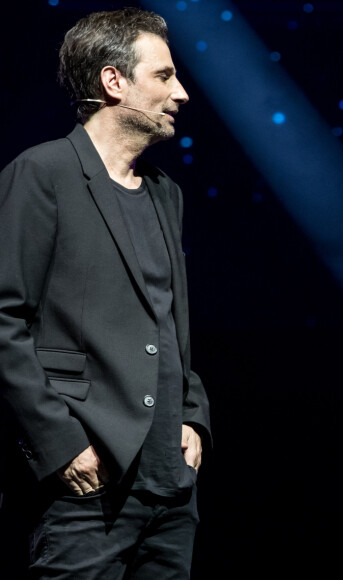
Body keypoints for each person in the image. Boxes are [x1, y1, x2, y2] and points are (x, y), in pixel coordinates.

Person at [0, 8, 211, 579]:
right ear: (113, 81)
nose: (182, 93)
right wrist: (61, 444)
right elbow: (3, 321)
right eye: (164, 77)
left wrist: (193, 416)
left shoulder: (167, 193)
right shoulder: (42, 173)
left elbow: (169, 321)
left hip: (169, 484)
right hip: (86, 485)